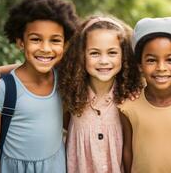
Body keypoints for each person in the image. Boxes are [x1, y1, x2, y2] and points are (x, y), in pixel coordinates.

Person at [0, 0, 79, 173]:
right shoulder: (2, 89)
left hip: (55, 167)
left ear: (65, 44)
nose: (45, 48)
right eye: (36, 39)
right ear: (20, 42)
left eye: (55, 40)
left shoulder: (63, 79)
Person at [57, 15, 142, 173]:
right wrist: (0, 70)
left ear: (124, 56)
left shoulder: (131, 96)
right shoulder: (70, 93)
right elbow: (35, 71)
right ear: (81, 55)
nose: (104, 61)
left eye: (112, 53)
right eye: (95, 53)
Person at [120, 17, 171, 173]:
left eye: (170, 60)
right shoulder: (128, 106)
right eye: (151, 60)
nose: (161, 68)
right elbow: (127, 151)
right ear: (140, 66)